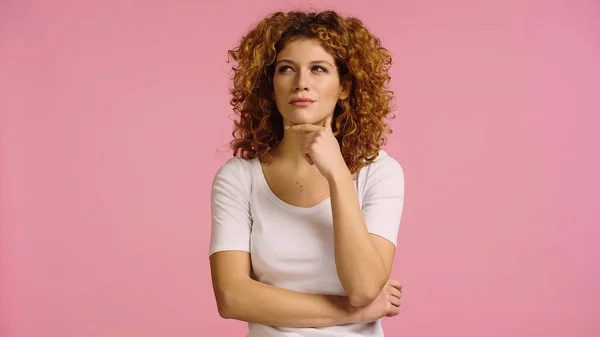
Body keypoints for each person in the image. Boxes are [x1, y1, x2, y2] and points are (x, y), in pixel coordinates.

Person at [209, 10, 405, 337]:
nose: (302, 83)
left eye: (318, 69)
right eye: (287, 69)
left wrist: (339, 176)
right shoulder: (239, 178)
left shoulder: (381, 173)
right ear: (270, 87)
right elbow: (231, 297)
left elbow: (364, 287)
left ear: (343, 87)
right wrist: (351, 313)